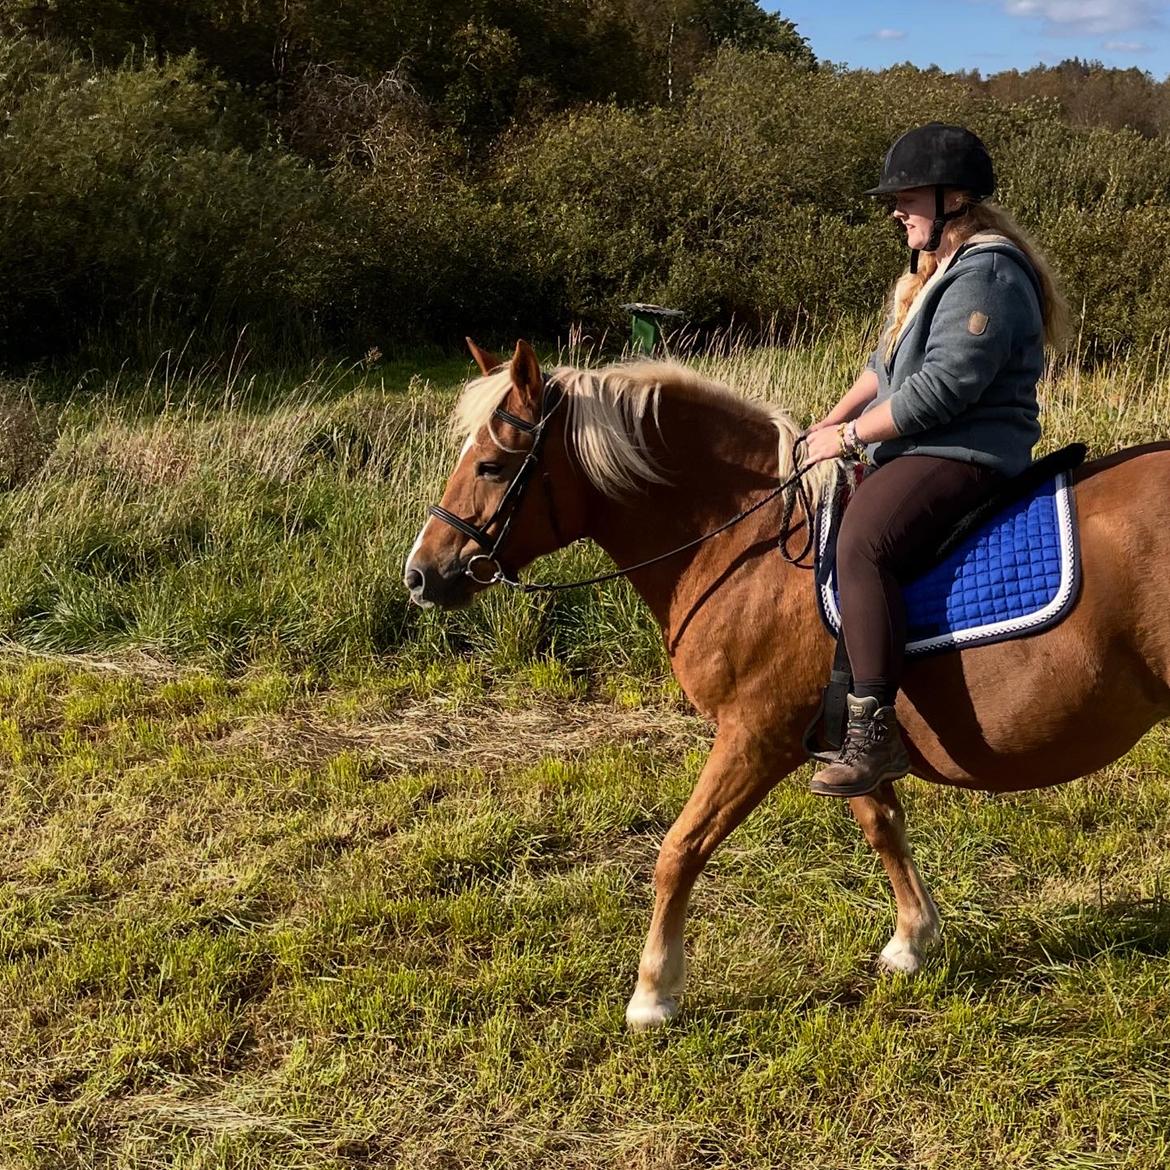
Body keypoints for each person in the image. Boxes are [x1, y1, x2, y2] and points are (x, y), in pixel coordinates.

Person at [800, 122, 1069, 798]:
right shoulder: (936, 272)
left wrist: (853, 437)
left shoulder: (988, 273)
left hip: (966, 450)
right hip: (921, 444)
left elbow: (945, 388)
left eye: (908, 197)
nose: (897, 211)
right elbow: (883, 368)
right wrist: (828, 421)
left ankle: (873, 732)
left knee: (863, 542)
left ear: (953, 199)